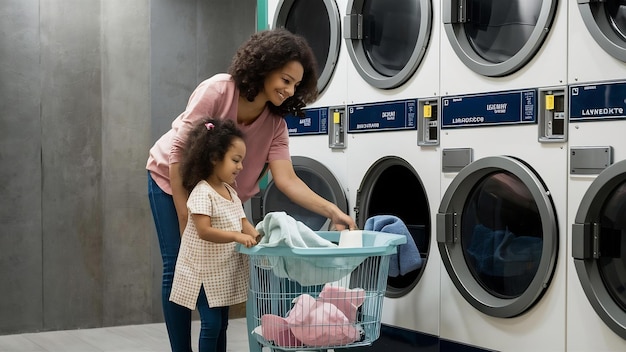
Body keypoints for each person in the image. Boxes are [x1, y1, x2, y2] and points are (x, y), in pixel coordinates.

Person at [146, 28, 357, 352]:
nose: (289, 90)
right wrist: (185, 214)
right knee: (179, 265)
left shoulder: (276, 125)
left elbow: (287, 180)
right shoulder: (219, 91)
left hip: (223, 198)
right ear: (264, 65)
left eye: (296, 85)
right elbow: (178, 153)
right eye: (285, 79)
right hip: (170, 180)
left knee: (220, 273)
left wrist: (333, 210)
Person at [169, 118, 257, 352]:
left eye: (241, 161)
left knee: (222, 323)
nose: (240, 167)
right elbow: (204, 231)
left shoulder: (230, 191)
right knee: (211, 323)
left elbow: (243, 222)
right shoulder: (202, 192)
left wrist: (259, 237)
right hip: (202, 273)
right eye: (235, 160)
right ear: (214, 158)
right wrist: (237, 237)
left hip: (222, 271)